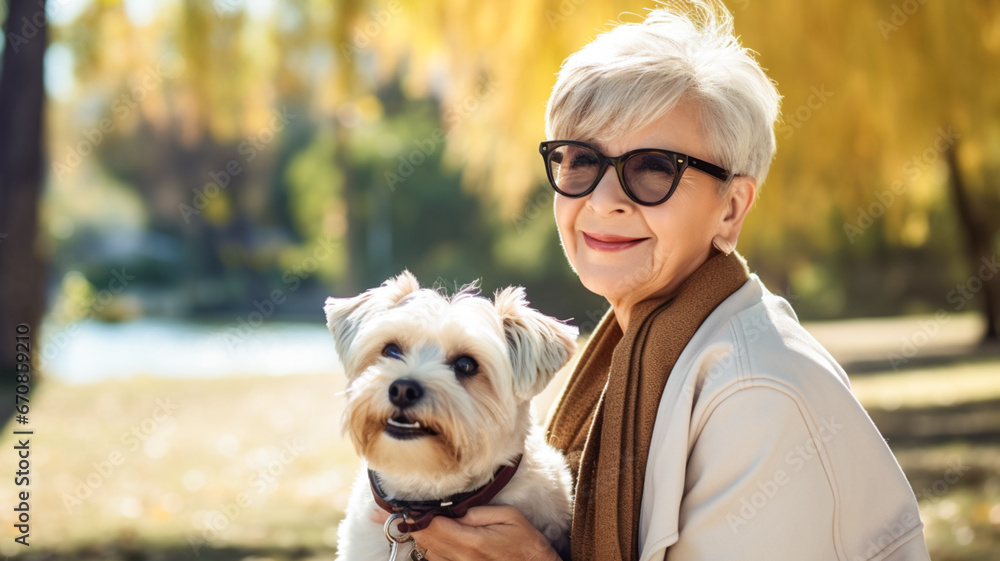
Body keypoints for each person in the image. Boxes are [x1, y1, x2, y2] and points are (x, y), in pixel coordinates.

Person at [408, 2, 932, 560]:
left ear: (731, 208)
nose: (604, 201)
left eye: (654, 168)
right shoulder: (636, 352)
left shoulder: (757, 396)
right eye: (580, 160)